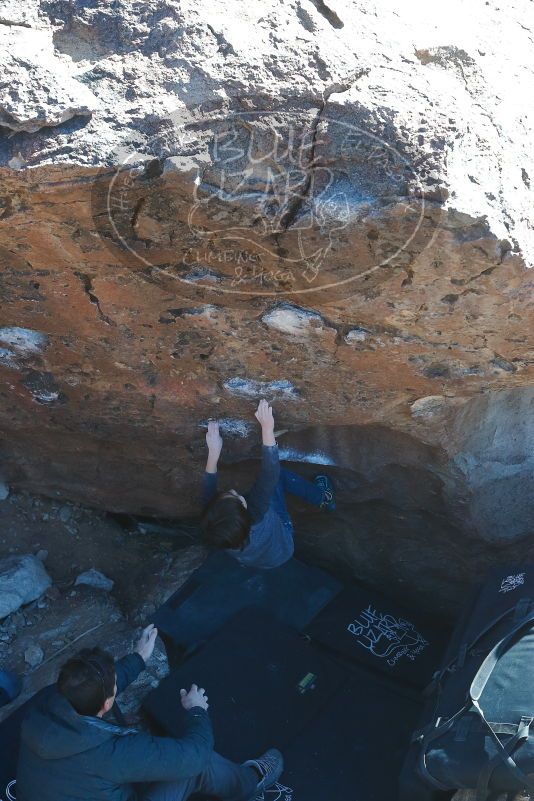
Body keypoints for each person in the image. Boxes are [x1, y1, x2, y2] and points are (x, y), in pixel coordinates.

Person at [17, 623, 283, 801]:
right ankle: (252, 781)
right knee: (199, 768)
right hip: (102, 773)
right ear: (107, 703)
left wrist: (138, 658)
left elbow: (92, 686)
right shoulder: (111, 754)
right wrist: (197, 711)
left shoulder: (47, 703)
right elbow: (195, 757)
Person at [200, 399, 336, 569]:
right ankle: (324, 498)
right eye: (237, 497)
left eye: (227, 494)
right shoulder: (256, 512)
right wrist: (267, 428)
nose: (234, 491)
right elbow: (270, 473)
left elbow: (208, 493)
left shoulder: (215, 525)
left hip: (258, 560)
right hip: (284, 543)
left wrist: (213, 451)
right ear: (245, 512)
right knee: (279, 478)